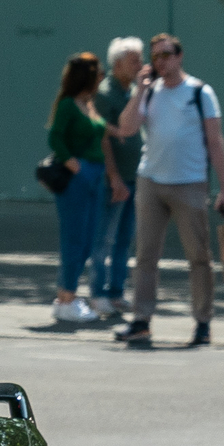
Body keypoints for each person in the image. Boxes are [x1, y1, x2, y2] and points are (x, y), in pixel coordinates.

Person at [109, 33, 224, 348]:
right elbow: (125, 128)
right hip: (151, 181)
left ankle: (203, 322)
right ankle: (141, 321)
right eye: (156, 56)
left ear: (179, 57)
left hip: (190, 183)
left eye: (166, 55)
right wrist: (140, 91)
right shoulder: (150, 92)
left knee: (198, 256)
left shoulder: (200, 92)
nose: (160, 61)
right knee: (146, 256)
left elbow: (216, 143)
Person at [44, 52, 110, 324]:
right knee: (75, 241)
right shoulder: (69, 105)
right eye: (98, 74)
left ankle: (65, 298)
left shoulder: (88, 104)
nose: (101, 77)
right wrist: (74, 165)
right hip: (79, 178)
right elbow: (54, 136)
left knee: (87, 241)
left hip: (95, 176)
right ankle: (67, 299)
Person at [91, 36, 145, 315]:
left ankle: (116, 292)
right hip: (115, 179)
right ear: (118, 63)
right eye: (134, 60)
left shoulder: (133, 90)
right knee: (105, 238)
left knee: (125, 239)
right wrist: (114, 177)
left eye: (140, 59)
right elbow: (103, 139)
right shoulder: (105, 93)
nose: (140, 64)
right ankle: (98, 293)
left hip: (135, 177)